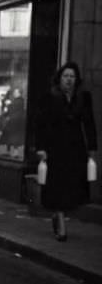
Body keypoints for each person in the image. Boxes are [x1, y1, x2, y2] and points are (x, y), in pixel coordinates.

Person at [34, 61, 97, 241]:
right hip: (55, 148)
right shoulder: (49, 97)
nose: (69, 80)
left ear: (76, 79)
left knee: (71, 186)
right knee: (57, 185)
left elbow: (89, 123)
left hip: (76, 148)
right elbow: (40, 124)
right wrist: (41, 148)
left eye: (72, 76)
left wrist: (92, 148)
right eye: (65, 76)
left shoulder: (83, 98)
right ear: (59, 78)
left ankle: (58, 214)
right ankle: (61, 222)